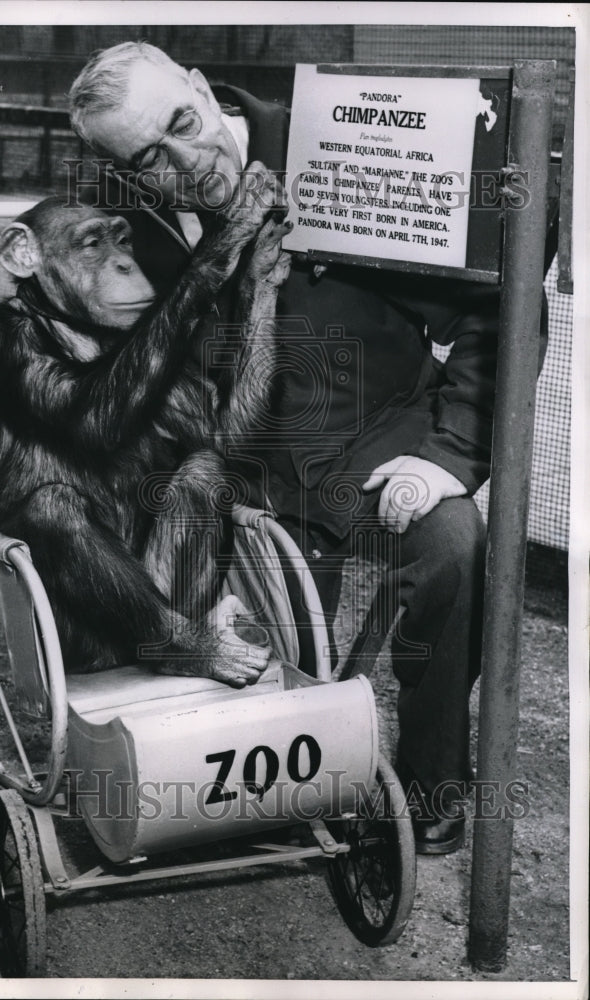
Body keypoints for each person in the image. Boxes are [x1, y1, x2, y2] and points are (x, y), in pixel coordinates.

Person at [66, 41, 547, 854]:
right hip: (233, 473)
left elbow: (500, 298)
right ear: (119, 169)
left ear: (198, 85)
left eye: (184, 124)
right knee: (223, 667)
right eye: (148, 159)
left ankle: (431, 784)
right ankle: (264, 784)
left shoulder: (344, 143)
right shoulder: (122, 224)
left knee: (453, 545)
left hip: (367, 443)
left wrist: (449, 454)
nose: (184, 162)